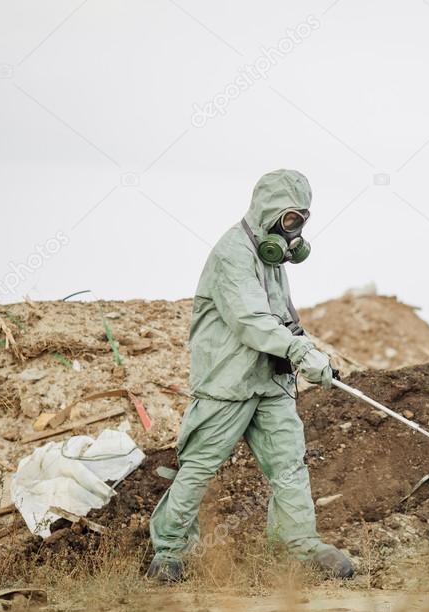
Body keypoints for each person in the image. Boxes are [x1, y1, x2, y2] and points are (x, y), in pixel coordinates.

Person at [147, 169, 353, 582]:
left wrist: (310, 350)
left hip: (270, 383)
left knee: (290, 466)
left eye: (301, 221)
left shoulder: (272, 260)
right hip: (227, 384)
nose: (293, 230)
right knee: (200, 465)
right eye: (289, 219)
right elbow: (251, 321)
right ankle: (169, 553)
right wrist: (298, 350)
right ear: (267, 211)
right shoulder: (232, 254)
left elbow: (284, 320)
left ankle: (299, 547)